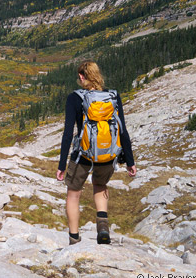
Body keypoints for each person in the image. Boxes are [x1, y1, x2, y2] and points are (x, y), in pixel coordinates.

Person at [56, 61, 137, 245]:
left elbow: (68, 133)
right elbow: (122, 130)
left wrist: (61, 165)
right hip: (107, 155)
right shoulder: (113, 96)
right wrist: (130, 161)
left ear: (82, 77)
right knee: (100, 186)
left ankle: (74, 238)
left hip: (82, 155)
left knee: (73, 193)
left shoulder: (74, 98)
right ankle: (102, 229)